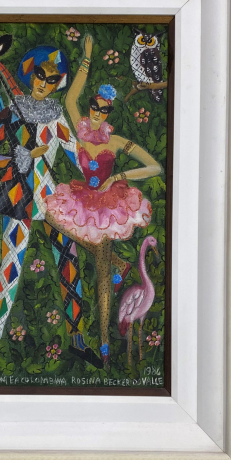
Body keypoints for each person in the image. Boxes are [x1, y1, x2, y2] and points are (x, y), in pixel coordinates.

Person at [0, 43, 103, 374]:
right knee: (10, 268)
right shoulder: (10, 113)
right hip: (19, 198)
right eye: (40, 75)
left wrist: (100, 178)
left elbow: (77, 155)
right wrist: (19, 157)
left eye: (52, 79)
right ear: (30, 74)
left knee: (69, 263)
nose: (43, 83)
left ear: (59, 84)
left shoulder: (56, 117)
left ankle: (77, 341)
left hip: (53, 199)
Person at [44, 37, 161, 364]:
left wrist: (119, 176)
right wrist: (87, 57)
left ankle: (106, 343)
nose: (96, 113)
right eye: (94, 107)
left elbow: (154, 166)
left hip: (109, 204)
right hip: (81, 198)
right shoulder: (81, 134)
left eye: (103, 110)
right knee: (48, 216)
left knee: (101, 273)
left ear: (109, 113)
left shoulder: (117, 141)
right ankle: (120, 264)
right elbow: (70, 98)